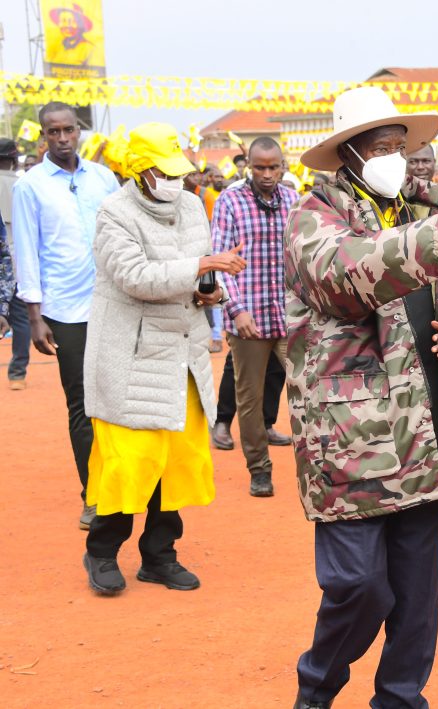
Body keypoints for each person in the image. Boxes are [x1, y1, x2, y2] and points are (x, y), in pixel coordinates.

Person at [286, 85, 438, 709]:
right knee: (358, 587)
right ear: (347, 155)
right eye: (379, 148)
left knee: (415, 600)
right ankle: (318, 687)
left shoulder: (428, 210)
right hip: (354, 446)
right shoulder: (314, 218)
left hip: (430, 432)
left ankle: (401, 699)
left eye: (399, 147)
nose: (395, 159)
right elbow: (346, 273)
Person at [80, 122, 247, 595]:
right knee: (130, 462)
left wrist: (207, 291)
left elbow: (193, 272)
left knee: (175, 464)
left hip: (184, 355)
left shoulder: (193, 204)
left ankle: (159, 556)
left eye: (178, 171)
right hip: (131, 356)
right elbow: (136, 277)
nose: (175, 181)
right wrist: (202, 266)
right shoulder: (114, 212)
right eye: (163, 171)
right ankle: (102, 552)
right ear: (137, 170)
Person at [12, 101, 119, 529]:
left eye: (68, 130)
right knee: (82, 403)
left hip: (113, 302)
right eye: (53, 132)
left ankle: (121, 485)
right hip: (65, 310)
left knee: (116, 399)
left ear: (80, 131)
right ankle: (92, 495)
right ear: (43, 136)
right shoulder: (30, 186)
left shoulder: (103, 178)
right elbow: (26, 251)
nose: (62, 139)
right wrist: (35, 315)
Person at [212, 136, 298, 497]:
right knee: (249, 399)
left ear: (283, 166)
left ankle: (320, 466)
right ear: (247, 165)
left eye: (272, 167)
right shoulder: (229, 200)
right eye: (259, 167)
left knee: (309, 390)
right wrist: (235, 309)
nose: (266, 174)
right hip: (247, 317)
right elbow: (217, 259)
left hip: (290, 317)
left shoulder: (294, 200)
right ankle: (259, 470)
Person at [210, 352, 289, 449]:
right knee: (239, 360)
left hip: (279, 336)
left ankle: (265, 425)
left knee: (276, 362)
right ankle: (223, 420)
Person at [0, 138, 30, 390]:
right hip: (17, 259)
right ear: (13, 159)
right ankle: (18, 372)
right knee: (21, 319)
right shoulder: (23, 184)